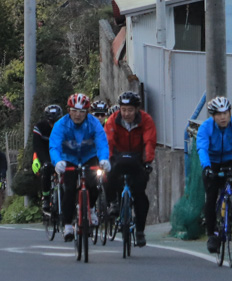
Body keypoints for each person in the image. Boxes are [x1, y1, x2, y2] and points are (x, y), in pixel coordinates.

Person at [197, 96, 232, 254]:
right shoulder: (206, 127)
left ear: (230, 113)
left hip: (231, 159)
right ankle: (211, 234)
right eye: (218, 114)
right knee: (211, 196)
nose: (223, 117)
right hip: (213, 161)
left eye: (225, 113)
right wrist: (207, 167)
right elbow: (202, 148)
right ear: (213, 116)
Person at [50, 93, 111, 241]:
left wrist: (104, 159)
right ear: (68, 110)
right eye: (74, 111)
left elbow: (102, 143)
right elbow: (54, 146)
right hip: (68, 159)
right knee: (69, 189)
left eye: (82, 112)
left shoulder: (94, 123)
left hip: (88, 157)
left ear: (87, 112)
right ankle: (67, 226)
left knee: (95, 181)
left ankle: (91, 208)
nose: (78, 115)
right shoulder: (61, 125)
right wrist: (57, 161)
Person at [104, 91, 156, 246]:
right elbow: (108, 141)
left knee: (140, 196)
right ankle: (113, 202)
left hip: (137, 158)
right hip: (118, 157)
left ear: (137, 109)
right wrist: (107, 160)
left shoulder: (146, 120)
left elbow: (150, 141)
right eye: (123, 110)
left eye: (130, 110)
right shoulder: (113, 120)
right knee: (107, 177)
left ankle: (140, 231)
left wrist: (147, 162)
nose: (126, 114)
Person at [31, 104, 64, 211]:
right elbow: (37, 146)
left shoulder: (66, 126)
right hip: (45, 152)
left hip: (61, 153)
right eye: (51, 123)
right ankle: (45, 197)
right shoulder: (39, 127)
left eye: (56, 122)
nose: (54, 125)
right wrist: (44, 161)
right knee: (46, 168)